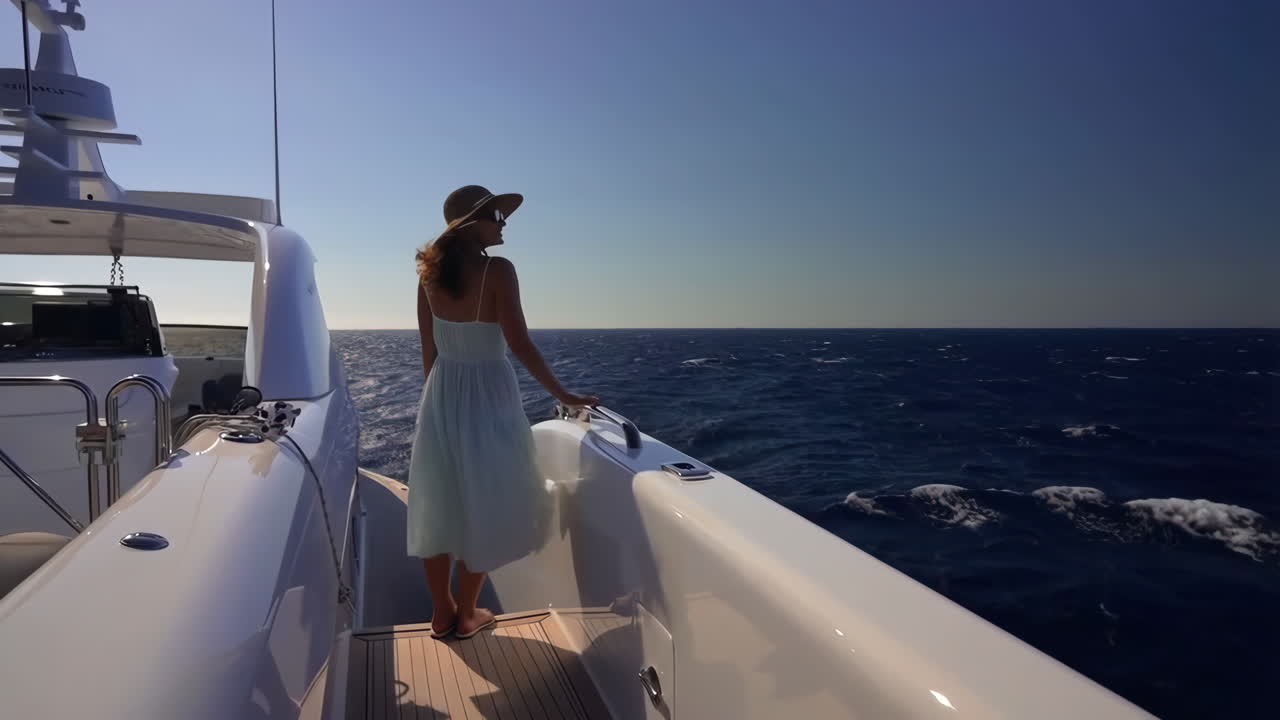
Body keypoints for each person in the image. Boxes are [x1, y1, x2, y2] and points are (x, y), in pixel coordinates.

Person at [407, 184, 599, 639]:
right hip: (489, 394)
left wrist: (435, 403)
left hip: (442, 393)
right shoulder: (498, 271)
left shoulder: (427, 274)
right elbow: (520, 343)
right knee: (485, 500)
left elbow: (428, 351)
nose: (503, 222)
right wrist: (564, 393)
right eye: (496, 215)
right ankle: (468, 614)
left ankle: (442, 612)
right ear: (473, 223)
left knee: (441, 501)